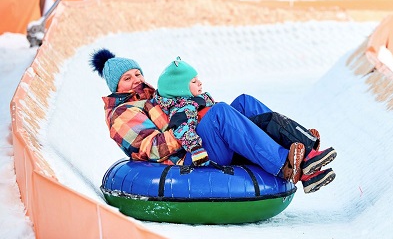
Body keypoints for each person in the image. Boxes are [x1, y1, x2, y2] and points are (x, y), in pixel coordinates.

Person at [90, 49, 336, 193]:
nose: (135, 79)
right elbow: (149, 149)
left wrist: (195, 106)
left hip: (197, 141)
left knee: (244, 102)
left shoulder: (154, 97)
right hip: (186, 158)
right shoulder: (122, 113)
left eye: (137, 73)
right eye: (126, 78)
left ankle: (305, 158)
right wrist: (188, 126)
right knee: (219, 113)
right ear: (116, 86)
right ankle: (285, 163)